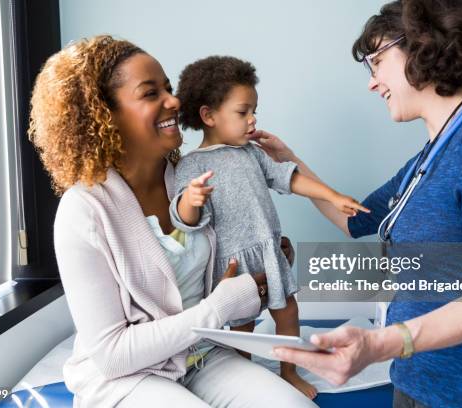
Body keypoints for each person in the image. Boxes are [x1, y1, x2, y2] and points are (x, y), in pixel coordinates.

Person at [253, 1, 462, 407]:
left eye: (376, 62)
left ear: (421, 45)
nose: (372, 82)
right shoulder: (426, 160)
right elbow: (353, 220)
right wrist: (289, 162)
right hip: (414, 380)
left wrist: (384, 342)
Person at [28, 35, 318, 408]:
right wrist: (220, 307)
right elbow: (113, 354)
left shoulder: (188, 178)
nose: (174, 101)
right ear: (104, 114)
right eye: (151, 93)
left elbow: (226, 261)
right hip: (126, 376)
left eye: (168, 87)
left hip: (202, 355)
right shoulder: (83, 209)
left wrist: (267, 261)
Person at [170, 55, 370, 399]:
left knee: (288, 311)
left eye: (254, 111)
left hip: (268, 251)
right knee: (241, 329)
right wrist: (191, 199)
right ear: (209, 116)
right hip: (233, 266)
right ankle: (242, 379)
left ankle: (289, 372)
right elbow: (183, 220)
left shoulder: (252, 153)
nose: (253, 119)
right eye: (243, 111)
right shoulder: (192, 166)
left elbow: (289, 178)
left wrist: (333, 195)